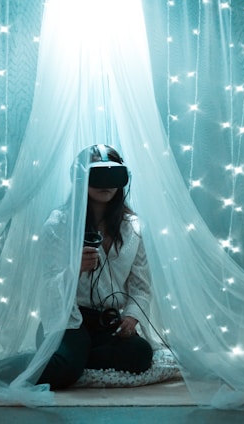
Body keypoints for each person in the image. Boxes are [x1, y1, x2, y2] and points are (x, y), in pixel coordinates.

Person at [36, 144, 154, 389]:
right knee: (61, 373)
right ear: (80, 178)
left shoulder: (133, 227)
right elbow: (47, 287)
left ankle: (77, 357)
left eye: (113, 174)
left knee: (140, 355)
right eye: (96, 175)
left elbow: (141, 286)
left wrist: (131, 318)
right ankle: (61, 358)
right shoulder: (59, 223)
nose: (106, 183)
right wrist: (74, 269)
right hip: (70, 318)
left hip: (107, 322)